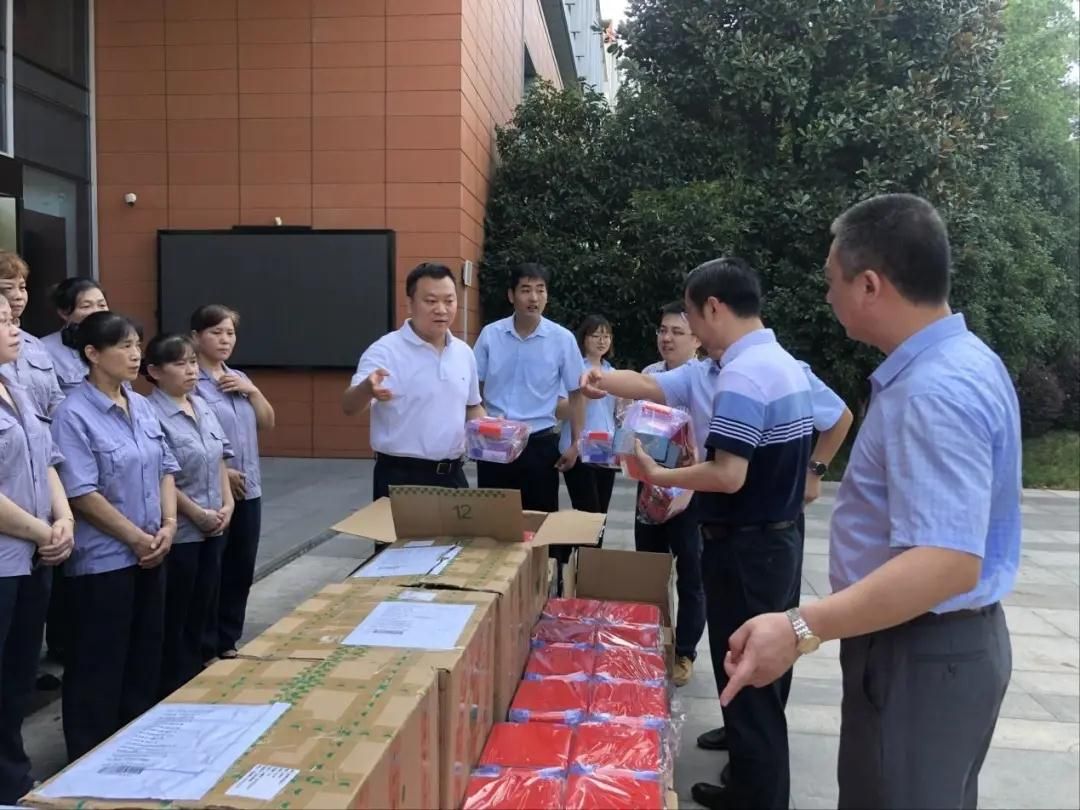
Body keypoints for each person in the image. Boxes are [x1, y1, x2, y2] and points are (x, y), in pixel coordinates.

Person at [718, 194, 1019, 810]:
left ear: (871, 285)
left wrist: (802, 626)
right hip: (933, 648)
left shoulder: (933, 391)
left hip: (921, 653)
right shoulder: (963, 360)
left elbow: (946, 561)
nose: (828, 295)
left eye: (833, 280)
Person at [582, 257, 816, 810]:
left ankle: (757, 797)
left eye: (688, 316)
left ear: (713, 308)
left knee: (750, 672)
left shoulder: (743, 375)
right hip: (772, 539)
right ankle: (750, 782)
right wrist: (600, 379)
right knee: (757, 673)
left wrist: (659, 475)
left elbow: (728, 474)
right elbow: (653, 384)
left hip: (748, 546)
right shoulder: (772, 362)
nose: (684, 329)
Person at [695, 359, 853, 762]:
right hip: (737, 530)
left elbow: (839, 417)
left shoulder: (778, 370)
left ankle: (755, 772)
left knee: (760, 648)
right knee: (733, 646)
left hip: (764, 535)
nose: (676, 336)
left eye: (685, 328)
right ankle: (741, 734)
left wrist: (815, 470)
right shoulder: (707, 371)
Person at [50, 311, 180, 761]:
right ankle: (89, 759)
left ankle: (133, 752)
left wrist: (168, 525)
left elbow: (165, 467)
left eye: (137, 345)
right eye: (123, 346)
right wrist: (135, 539)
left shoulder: (141, 405)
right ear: (92, 353)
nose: (135, 354)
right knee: (98, 664)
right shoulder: (72, 414)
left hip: (153, 551)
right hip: (104, 560)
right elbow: (81, 493)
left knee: (144, 657)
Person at [0, 295, 73, 803]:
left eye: (12, 319)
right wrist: (43, 532)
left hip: (33, 556)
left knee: (17, 676)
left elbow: (46, 459)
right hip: (9, 557)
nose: (15, 330)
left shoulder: (16, 385)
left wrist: (63, 518)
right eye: (2, 322)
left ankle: (12, 777)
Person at [343, 263, 485, 500]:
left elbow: (472, 406)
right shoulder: (385, 351)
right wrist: (367, 389)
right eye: (431, 301)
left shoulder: (463, 352)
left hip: (452, 476)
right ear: (410, 304)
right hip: (401, 478)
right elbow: (349, 407)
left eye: (449, 301)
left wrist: (492, 431)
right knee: (398, 528)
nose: (441, 309)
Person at [144, 334, 234, 697]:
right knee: (177, 613)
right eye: (179, 364)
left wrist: (228, 504)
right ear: (154, 371)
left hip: (215, 525)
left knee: (204, 606)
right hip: (182, 530)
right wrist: (196, 513)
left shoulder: (202, 405)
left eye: (193, 362)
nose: (190, 371)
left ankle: (197, 676)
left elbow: (220, 458)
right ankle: (173, 684)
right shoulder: (150, 412)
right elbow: (162, 474)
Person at [191, 305, 274, 661]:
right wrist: (222, 470)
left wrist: (252, 391)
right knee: (212, 570)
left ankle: (228, 639)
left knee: (241, 568)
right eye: (216, 332)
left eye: (230, 333)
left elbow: (267, 422)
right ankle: (204, 643)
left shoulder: (239, 378)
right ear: (195, 337)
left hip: (249, 488)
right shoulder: (190, 381)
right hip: (212, 491)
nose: (225, 340)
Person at [633, 301, 707, 688]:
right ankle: (650, 643)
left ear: (697, 339)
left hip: (692, 492)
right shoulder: (649, 376)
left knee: (692, 576)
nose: (667, 338)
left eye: (677, 332)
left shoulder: (707, 380)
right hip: (651, 489)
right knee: (649, 571)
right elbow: (635, 431)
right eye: (663, 330)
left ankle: (684, 652)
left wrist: (689, 487)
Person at [473, 263, 584, 512]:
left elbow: (576, 393)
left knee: (539, 520)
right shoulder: (491, 335)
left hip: (539, 444)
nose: (533, 298)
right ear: (511, 295)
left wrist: (576, 443)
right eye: (525, 290)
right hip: (495, 441)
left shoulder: (562, 339)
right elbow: (473, 385)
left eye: (540, 290)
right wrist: (478, 426)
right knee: (493, 519)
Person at [557, 314, 617, 514]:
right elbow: (559, 411)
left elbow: (618, 414)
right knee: (587, 512)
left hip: (605, 449)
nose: (602, 341)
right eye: (596, 336)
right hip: (579, 450)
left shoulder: (613, 373)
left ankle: (595, 539)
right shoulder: (574, 369)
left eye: (606, 336)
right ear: (584, 339)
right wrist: (586, 394)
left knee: (601, 515)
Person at [0, 252, 64, 416]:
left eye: (22, 287)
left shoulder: (35, 344)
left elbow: (55, 400)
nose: (18, 296)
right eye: (7, 288)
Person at [41, 278, 109, 392]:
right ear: (63, 313)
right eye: (86, 306)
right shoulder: (43, 349)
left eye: (101, 305)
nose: (97, 311)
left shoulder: (115, 342)